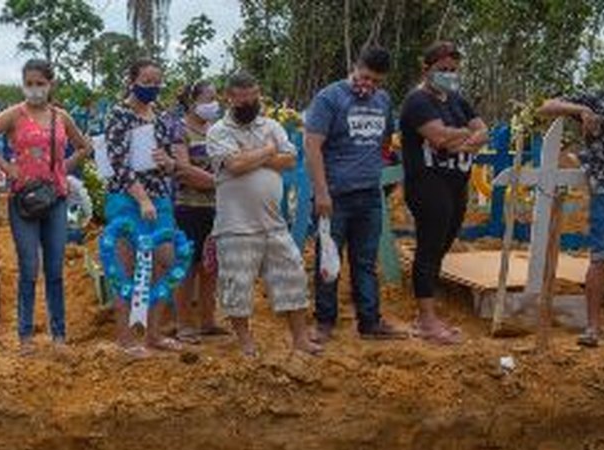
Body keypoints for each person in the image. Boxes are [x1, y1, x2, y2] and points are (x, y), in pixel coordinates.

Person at [0, 59, 91, 355]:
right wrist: (8, 167)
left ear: (51, 84)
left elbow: (85, 147)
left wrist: (62, 168)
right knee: (28, 267)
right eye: (29, 83)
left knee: (55, 269)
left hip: (56, 198)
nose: (35, 89)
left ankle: (58, 334)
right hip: (23, 200)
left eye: (40, 83)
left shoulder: (61, 117)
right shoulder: (15, 114)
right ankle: (25, 336)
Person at [207, 72, 321, 357]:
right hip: (235, 225)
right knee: (238, 286)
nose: (248, 102)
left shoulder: (271, 124)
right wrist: (270, 150)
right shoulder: (218, 131)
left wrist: (256, 155)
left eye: (253, 96)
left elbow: (291, 158)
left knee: (292, 276)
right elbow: (234, 165)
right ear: (229, 98)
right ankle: (245, 343)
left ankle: (300, 339)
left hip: (273, 223)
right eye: (241, 98)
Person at [304, 45, 408, 343]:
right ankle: (324, 321)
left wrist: (381, 173)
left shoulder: (383, 100)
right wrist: (321, 193)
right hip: (334, 195)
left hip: (369, 195)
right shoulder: (329, 98)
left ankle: (369, 322)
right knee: (329, 259)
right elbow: (312, 147)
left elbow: (386, 141)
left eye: (376, 81)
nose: (369, 85)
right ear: (354, 66)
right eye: (365, 77)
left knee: (365, 261)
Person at [400, 41, 488, 345]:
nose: (449, 75)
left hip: (455, 182)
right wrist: (464, 135)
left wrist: (459, 138)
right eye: (443, 70)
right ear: (427, 69)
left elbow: (483, 131)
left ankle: (428, 315)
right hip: (427, 182)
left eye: (453, 70)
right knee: (428, 247)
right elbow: (438, 137)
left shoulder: (456, 101)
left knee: (441, 247)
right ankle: (426, 321)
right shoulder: (417, 102)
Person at [103, 59, 182, 357]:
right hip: (126, 198)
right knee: (125, 266)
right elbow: (118, 164)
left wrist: (169, 163)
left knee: (167, 260)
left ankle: (154, 333)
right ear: (132, 80)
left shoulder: (161, 116)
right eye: (146, 81)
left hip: (159, 198)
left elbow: (171, 159)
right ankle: (125, 338)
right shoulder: (118, 115)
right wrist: (142, 199)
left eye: (156, 81)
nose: (152, 87)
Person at [538, 74, 604, 347]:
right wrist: (581, 111)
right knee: (601, 257)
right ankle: (592, 327)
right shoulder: (598, 99)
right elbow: (546, 105)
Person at [171, 80, 224, 343]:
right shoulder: (179, 130)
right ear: (192, 102)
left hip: (216, 208)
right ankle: (184, 324)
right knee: (187, 266)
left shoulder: (216, 130)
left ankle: (207, 321)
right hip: (188, 208)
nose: (214, 104)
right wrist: (219, 182)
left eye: (215, 98)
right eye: (208, 99)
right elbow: (182, 170)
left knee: (210, 265)